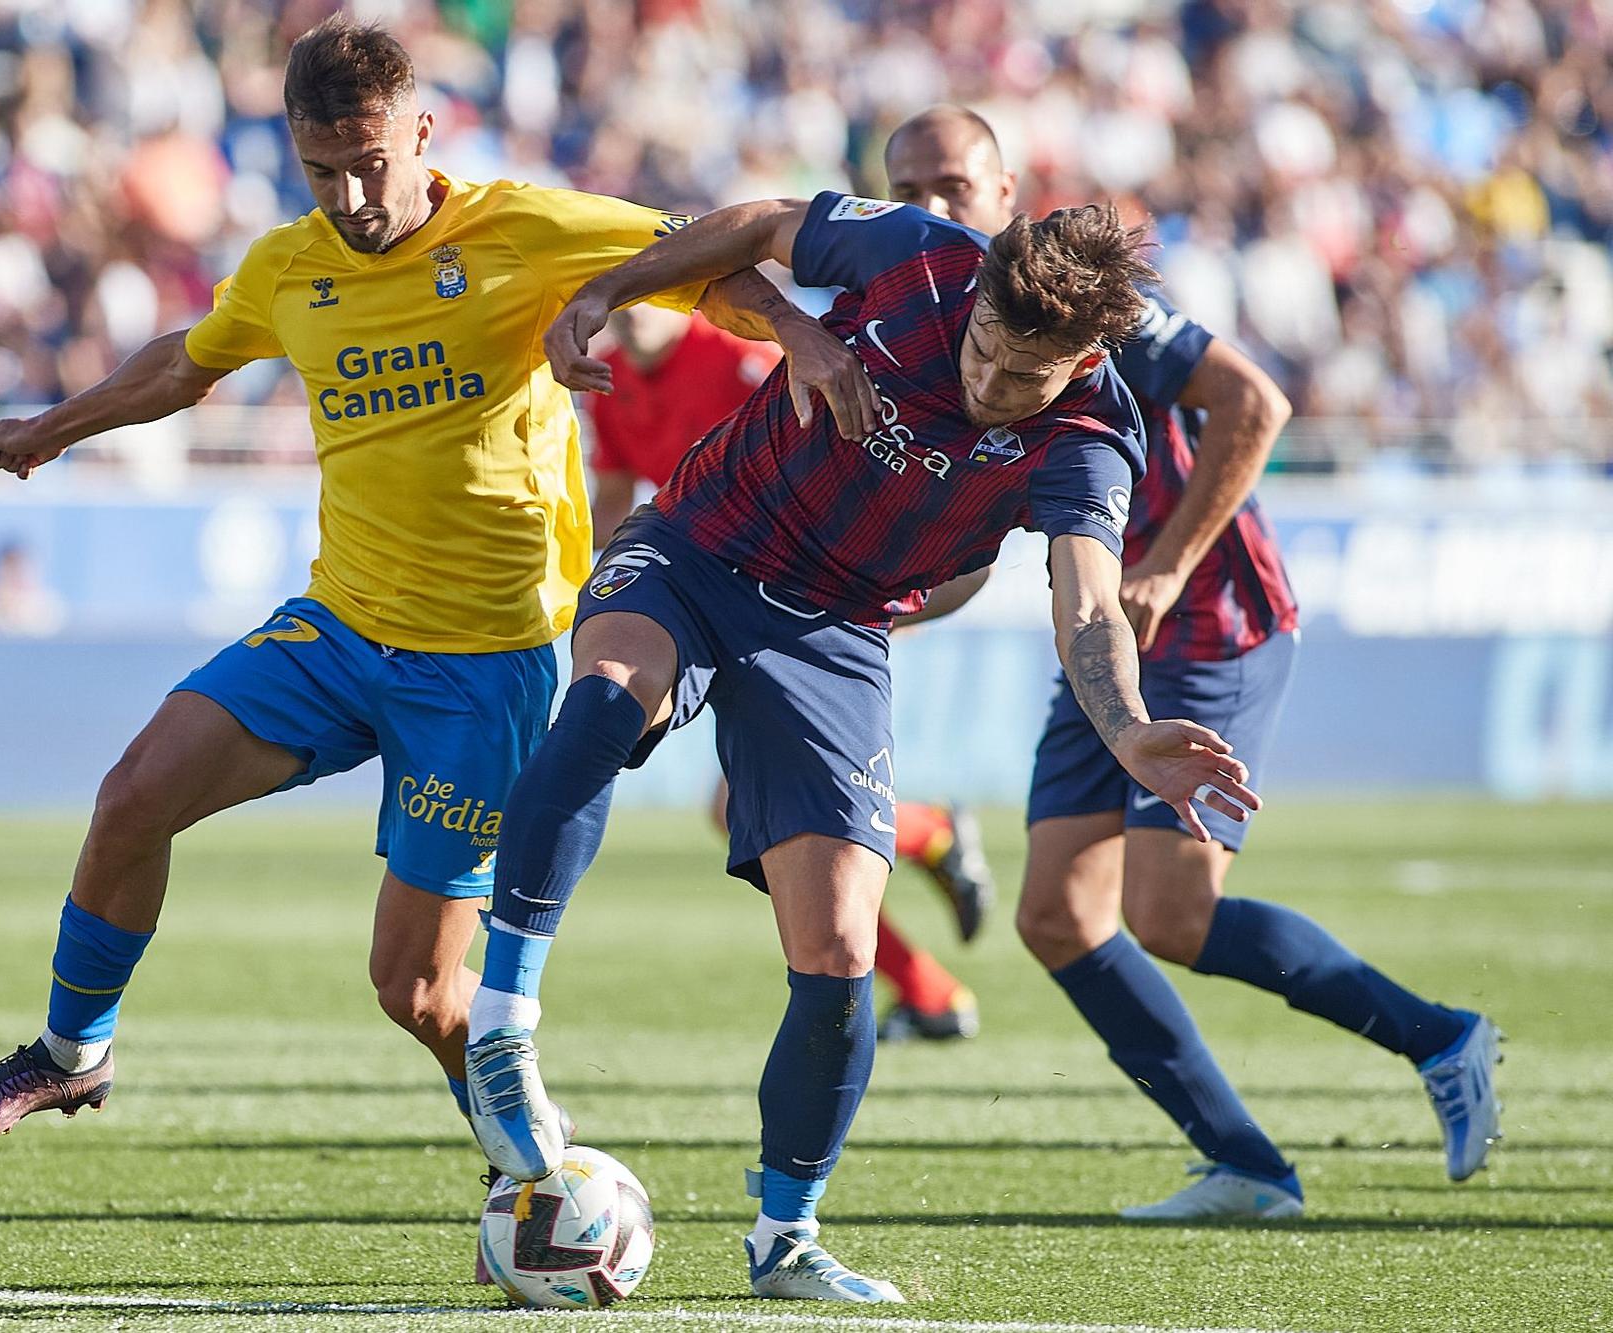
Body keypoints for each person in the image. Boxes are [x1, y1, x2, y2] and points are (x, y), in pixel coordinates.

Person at [0, 18, 867, 1167]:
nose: (353, 194)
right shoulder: (287, 267)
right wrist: (53, 430)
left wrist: (801, 333)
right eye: (323, 170)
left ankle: (543, 1173)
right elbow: (187, 360)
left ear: (422, 131)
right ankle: (73, 1054)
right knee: (130, 796)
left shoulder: (524, 228)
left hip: (487, 665)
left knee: (415, 990)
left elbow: (708, 256)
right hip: (339, 627)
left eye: (372, 163)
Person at [463, 194, 1263, 1302]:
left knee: (839, 949)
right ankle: (500, 1029)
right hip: (699, 545)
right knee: (604, 699)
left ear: (1081, 357)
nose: (988, 381)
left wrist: (1125, 729)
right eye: (983, 346)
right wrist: (618, 291)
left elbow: (1086, 610)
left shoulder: (1087, 439)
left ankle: (783, 1236)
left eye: (1021, 375)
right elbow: (752, 224)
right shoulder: (920, 257)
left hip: (834, 629)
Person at [882, 106, 1502, 1217]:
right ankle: (1247, 1165)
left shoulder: (1090, 303)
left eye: (952, 186)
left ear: (1004, 189)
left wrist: (1163, 568)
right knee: (1056, 917)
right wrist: (874, 609)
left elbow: (1253, 403)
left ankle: (1439, 1039)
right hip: (1101, 639)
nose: (930, 210)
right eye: (908, 189)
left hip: (1210, 614)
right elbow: (978, 543)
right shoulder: (943, 330)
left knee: (1168, 911)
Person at [590, 304, 993, 1041]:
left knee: (758, 811)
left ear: (682, 290)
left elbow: (844, 449)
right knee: (753, 813)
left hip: (808, 598)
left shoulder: (747, 357)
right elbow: (614, 495)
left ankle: (929, 937)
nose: (629, 308)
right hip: (713, 603)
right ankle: (929, 931)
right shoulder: (612, 378)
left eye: (647, 286)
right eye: (617, 289)